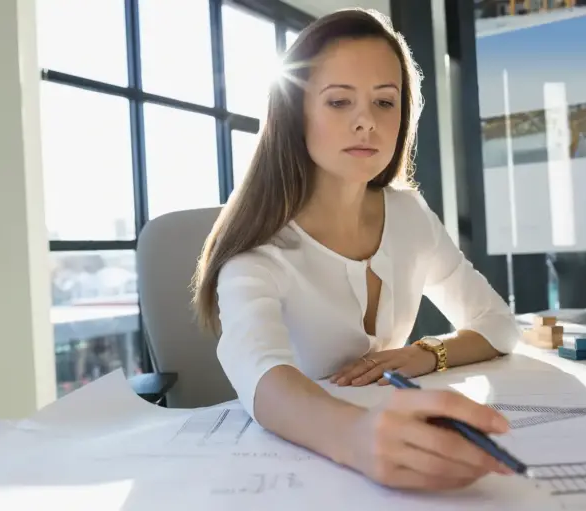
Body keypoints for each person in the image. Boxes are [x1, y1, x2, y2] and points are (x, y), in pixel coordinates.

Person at [192, 8, 521, 492]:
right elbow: (260, 372)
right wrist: (356, 436)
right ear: (295, 112)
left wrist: (430, 353)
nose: (366, 122)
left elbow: (498, 324)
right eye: (340, 102)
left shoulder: (408, 215)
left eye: (385, 102)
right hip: (300, 469)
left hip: (388, 439)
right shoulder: (259, 251)